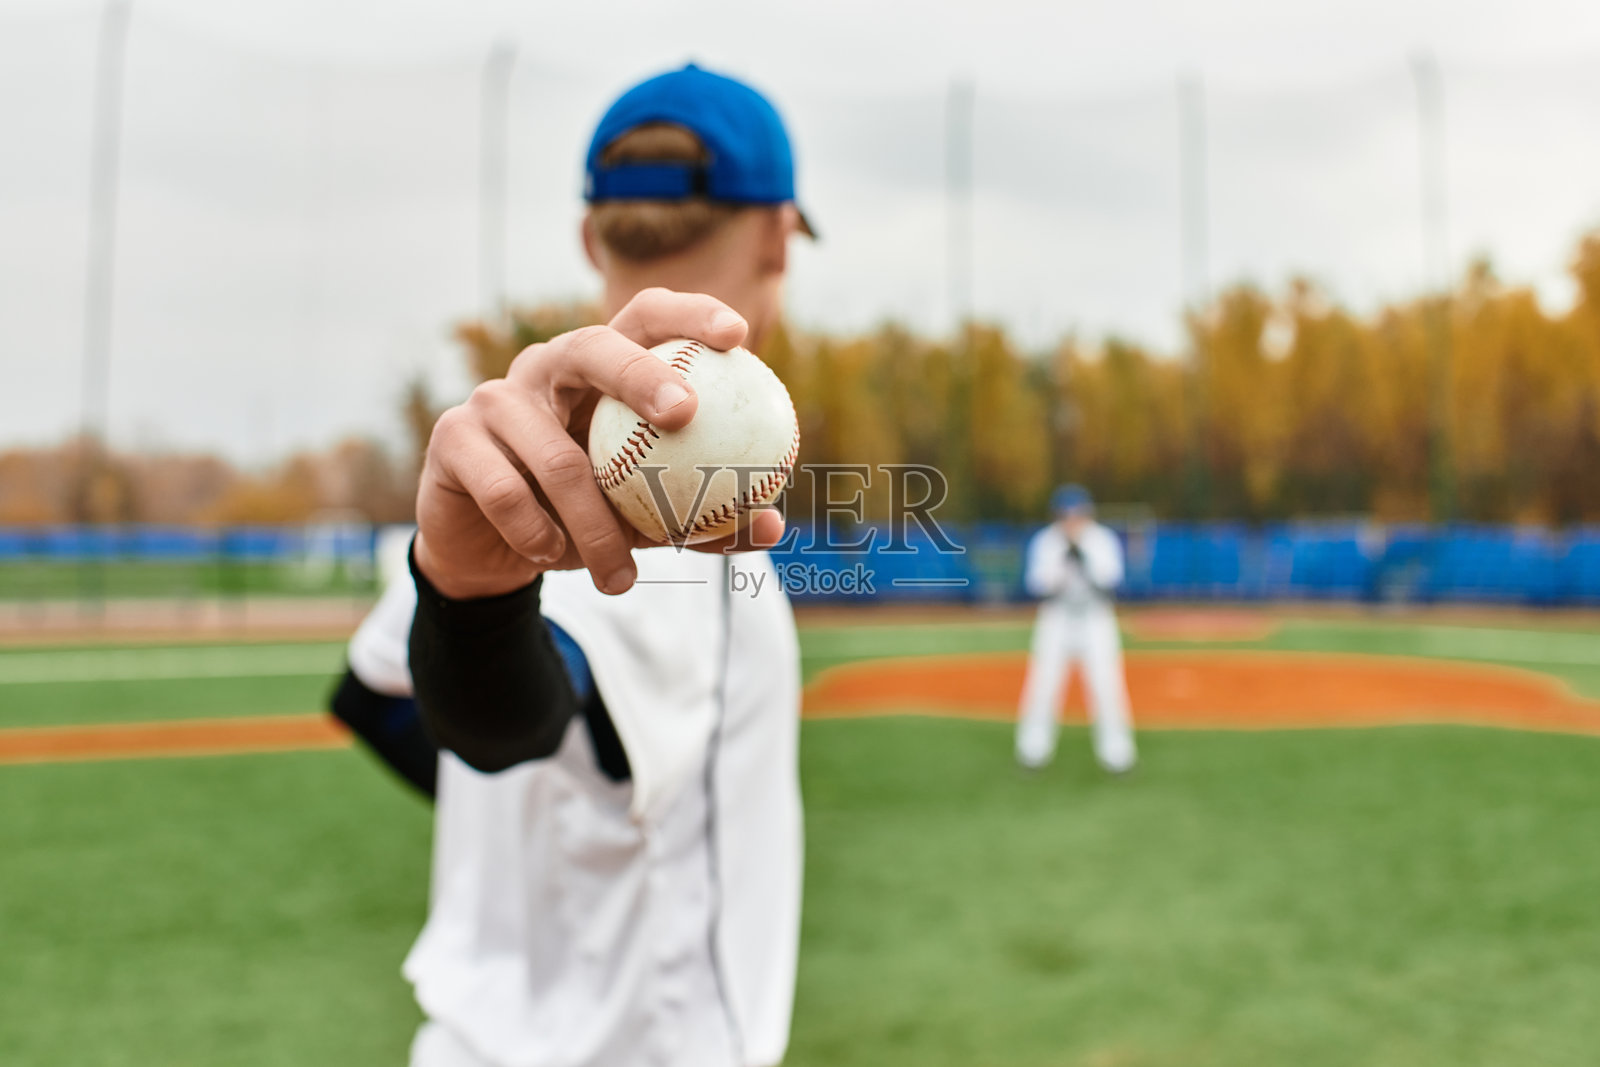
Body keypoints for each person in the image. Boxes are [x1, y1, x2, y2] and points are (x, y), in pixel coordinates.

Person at [329, 63, 812, 1067]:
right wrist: (489, 638)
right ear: (777, 233)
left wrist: (570, 797)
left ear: (591, 236)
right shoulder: (672, 504)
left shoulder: (496, 445)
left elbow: (383, 699)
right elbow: (512, 718)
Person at [1015, 484, 1137, 774]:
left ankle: (1118, 756)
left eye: (1077, 514)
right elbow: (1038, 587)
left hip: (1096, 619)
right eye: (1066, 514)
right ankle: (1032, 753)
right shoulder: (1046, 541)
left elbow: (1110, 586)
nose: (1071, 520)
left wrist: (1084, 562)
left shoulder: (1102, 539)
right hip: (1056, 620)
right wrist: (1062, 567)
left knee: (1107, 687)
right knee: (1043, 687)